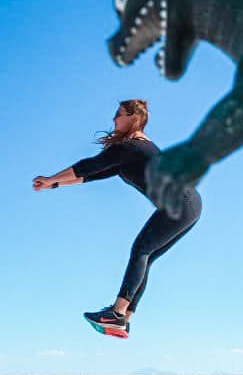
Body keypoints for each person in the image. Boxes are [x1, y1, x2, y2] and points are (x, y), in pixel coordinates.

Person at [32, 99, 201, 337]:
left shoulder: (131, 146)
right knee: (145, 256)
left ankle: (116, 313)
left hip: (179, 203)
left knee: (141, 251)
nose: (113, 120)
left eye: (118, 114)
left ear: (134, 118)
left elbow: (89, 165)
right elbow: (94, 174)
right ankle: (123, 319)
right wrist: (56, 184)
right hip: (188, 204)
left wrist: (50, 179)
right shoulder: (132, 151)